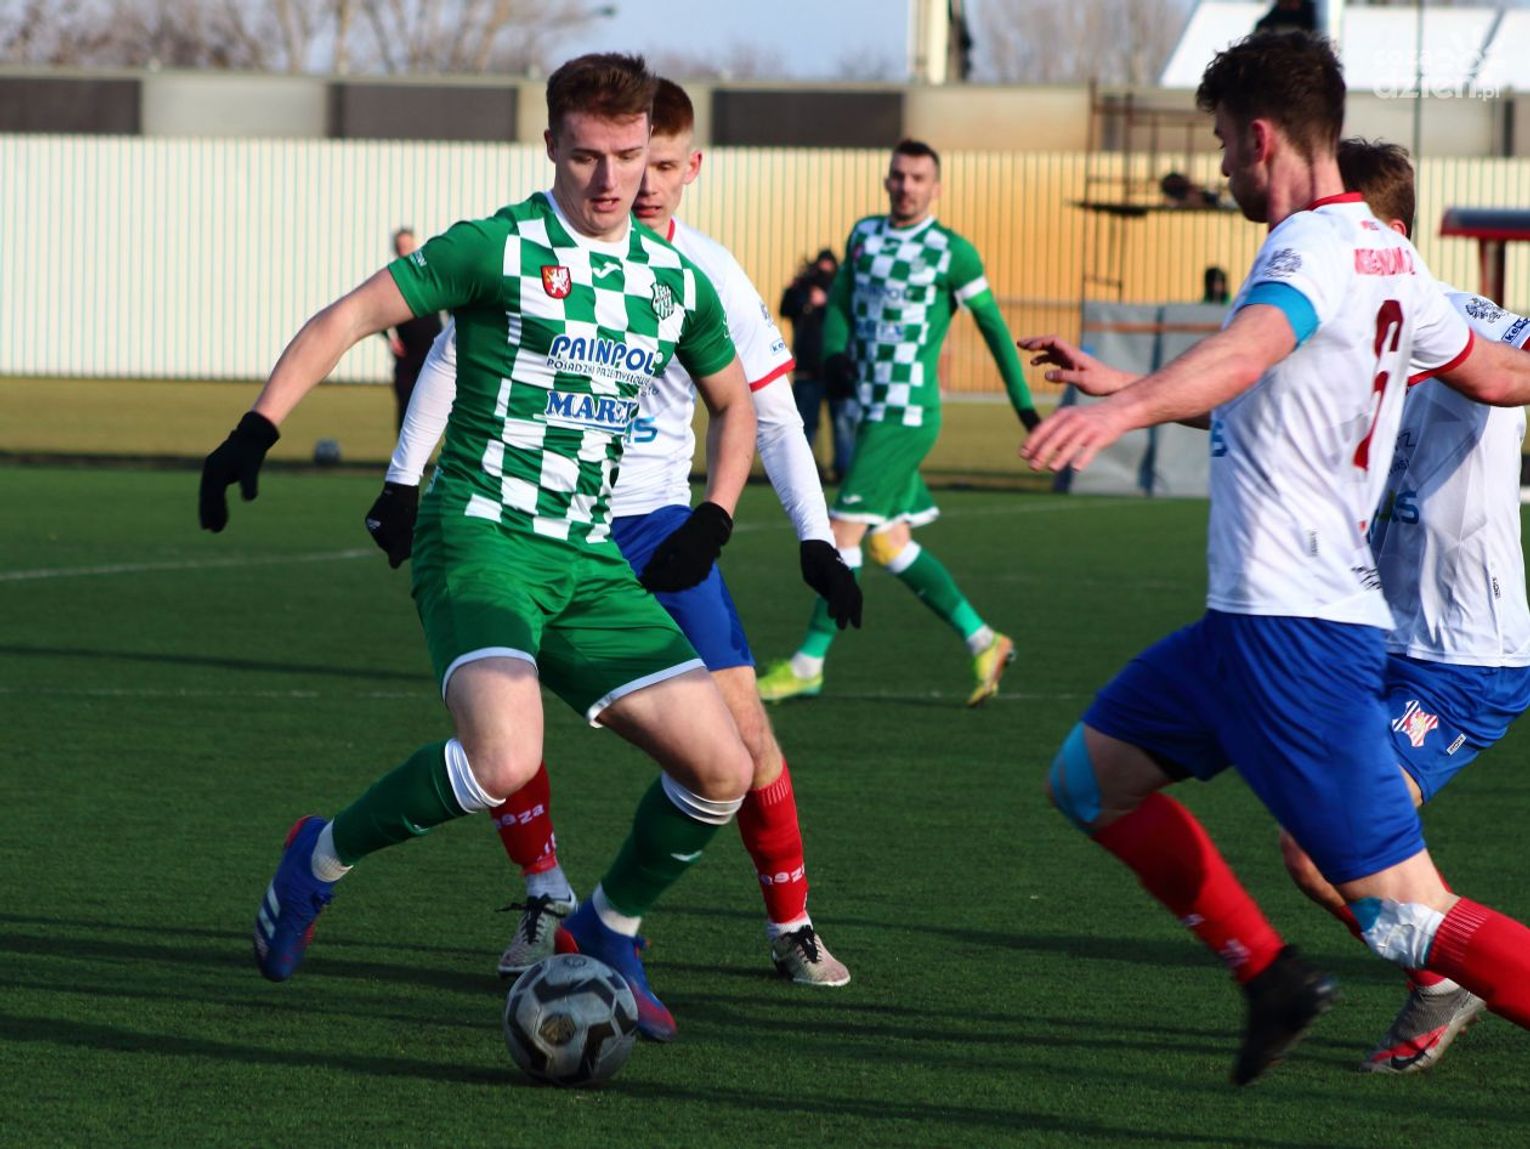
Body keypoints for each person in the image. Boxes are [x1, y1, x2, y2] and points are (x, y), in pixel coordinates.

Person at [199, 53, 764, 1045]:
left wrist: (715, 513)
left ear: (652, 151)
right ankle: (318, 858)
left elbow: (735, 402)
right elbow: (349, 316)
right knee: (505, 757)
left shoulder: (675, 281)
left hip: (588, 560)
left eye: (627, 155)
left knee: (724, 768)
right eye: (584, 155)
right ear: (549, 145)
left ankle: (608, 926)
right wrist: (258, 427)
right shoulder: (496, 247)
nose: (608, 179)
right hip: (480, 539)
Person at [1020, 31, 1530, 1085]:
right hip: (1247, 625)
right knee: (1090, 782)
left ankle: (1395, 976)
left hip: (1297, 632)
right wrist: (1127, 386)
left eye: (1219, 142)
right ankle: (1270, 978)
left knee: (1403, 911)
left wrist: (1121, 415)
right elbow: (1489, 372)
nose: (1218, 167)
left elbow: (1250, 350)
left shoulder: (1307, 246)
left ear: (1261, 138)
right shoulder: (1390, 259)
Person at [365, 78, 860, 988]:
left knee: (741, 734)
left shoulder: (706, 275)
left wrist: (814, 537)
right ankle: (547, 895)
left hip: (662, 530)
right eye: (631, 161)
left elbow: (768, 412)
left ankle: (790, 921)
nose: (642, 183)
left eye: (658, 164)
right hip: (529, 521)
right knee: (507, 725)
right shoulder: (539, 250)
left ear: (687, 167)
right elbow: (451, 358)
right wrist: (404, 479)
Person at [1273, 138, 1530, 1074]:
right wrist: (1129, 395)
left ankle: (1451, 973)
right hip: (1381, 644)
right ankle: (1443, 971)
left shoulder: (1471, 323)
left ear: (1387, 233)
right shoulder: (1337, 331)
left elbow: (1509, 363)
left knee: (1321, 844)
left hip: (1465, 658)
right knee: (1314, 845)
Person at [757, 139, 1041, 708]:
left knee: (840, 534)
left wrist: (1026, 410)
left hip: (906, 417)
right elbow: (839, 304)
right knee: (889, 543)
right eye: (898, 176)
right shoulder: (864, 236)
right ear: (887, 180)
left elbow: (993, 329)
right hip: (868, 411)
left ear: (936, 188)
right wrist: (834, 355)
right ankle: (984, 640)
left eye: (918, 178)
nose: (906, 187)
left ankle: (809, 664)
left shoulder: (951, 252)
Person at [780, 248, 858, 479]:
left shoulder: (841, 292)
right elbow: (786, 308)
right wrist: (803, 296)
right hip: (808, 370)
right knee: (804, 425)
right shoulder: (803, 289)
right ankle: (802, 471)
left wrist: (826, 301)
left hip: (837, 369)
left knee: (842, 424)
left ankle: (844, 470)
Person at [382, 228, 443, 430]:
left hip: (432, 352)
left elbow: (452, 306)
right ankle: (402, 449)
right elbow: (376, 312)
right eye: (401, 247)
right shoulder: (390, 280)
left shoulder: (430, 276)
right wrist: (390, 338)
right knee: (406, 405)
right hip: (406, 356)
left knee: (433, 407)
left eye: (408, 246)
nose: (404, 251)